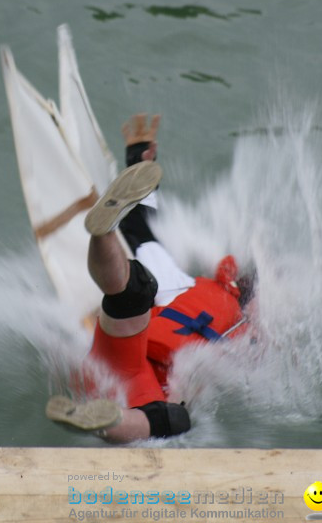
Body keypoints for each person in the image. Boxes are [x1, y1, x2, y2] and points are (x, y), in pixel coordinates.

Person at [46, 114, 253, 443]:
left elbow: (140, 225)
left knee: (135, 290)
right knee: (174, 419)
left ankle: (102, 233)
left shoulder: (186, 283)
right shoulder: (245, 337)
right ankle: (105, 423)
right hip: (139, 384)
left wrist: (139, 156)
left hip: (118, 351)